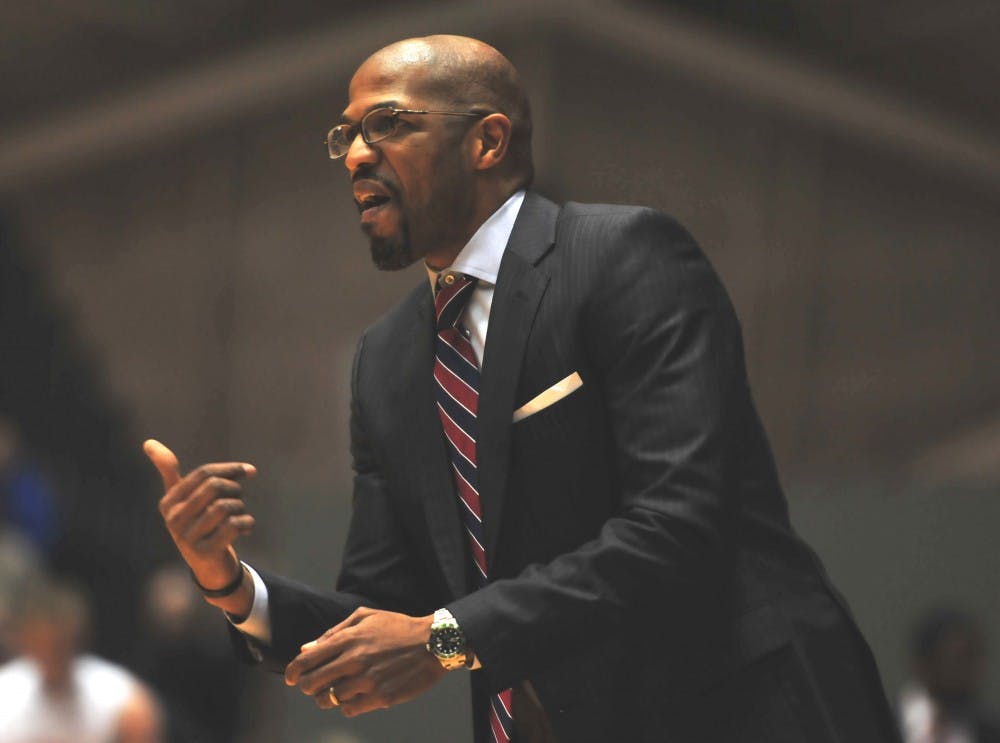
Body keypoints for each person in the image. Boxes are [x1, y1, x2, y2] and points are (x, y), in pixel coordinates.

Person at [146, 34, 901, 742]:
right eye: (346, 136)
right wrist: (231, 584)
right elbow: (386, 616)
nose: (356, 156)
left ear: (487, 140)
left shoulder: (623, 256)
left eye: (386, 124)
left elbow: (679, 525)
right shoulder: (386, 361)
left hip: (738, 706)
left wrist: (447, 638)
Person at [0, 578, 162, 743]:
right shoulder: (5, 693)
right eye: (40, 643)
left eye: (58, 644)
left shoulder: (125, 702)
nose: (49, 653)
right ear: (25, 641)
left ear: (76, 639)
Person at [898, 607, 1000, 743]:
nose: (971, 671)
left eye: (974, 658)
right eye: (958, 659)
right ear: (926, 664)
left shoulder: (991, 732)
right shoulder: (883, 721)